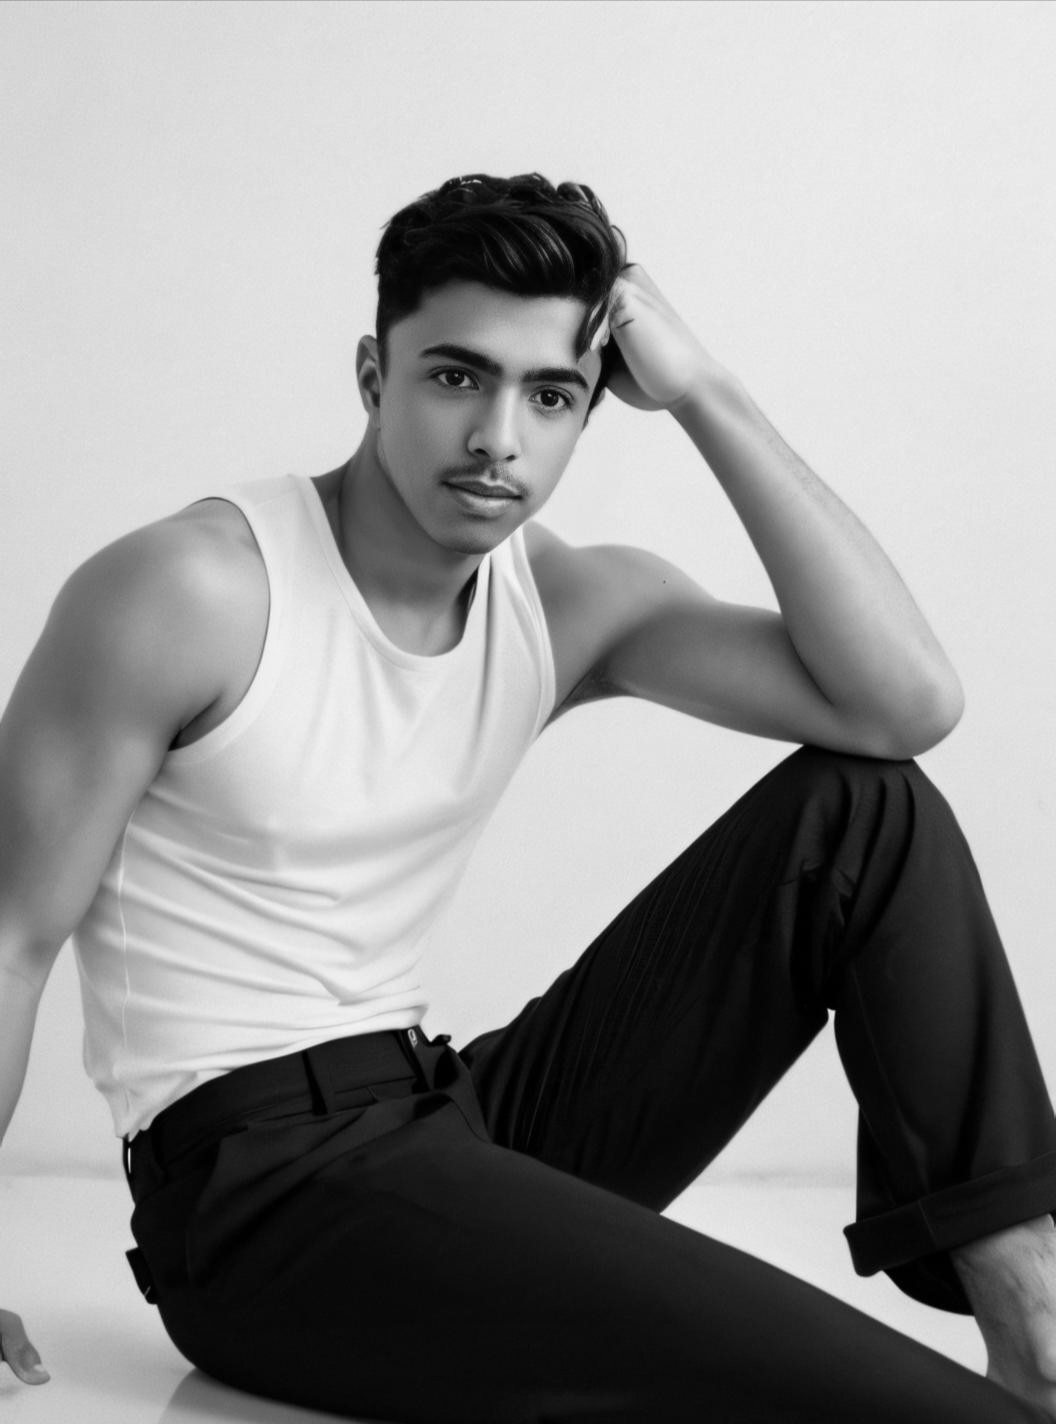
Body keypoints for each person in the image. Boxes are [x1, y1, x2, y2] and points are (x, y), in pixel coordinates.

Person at [1, 171, 1054, 1423]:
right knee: (876, 1394)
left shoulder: (562, 602)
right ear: (372, 376)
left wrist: (708, 392)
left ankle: (1035, 1323)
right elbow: (10, 934)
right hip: (259, 1200)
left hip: (447, 1116)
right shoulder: (194, 589)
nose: (499, 435)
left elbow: (904, 707)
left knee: (867, 813)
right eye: (458, 376)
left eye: (551, 394)